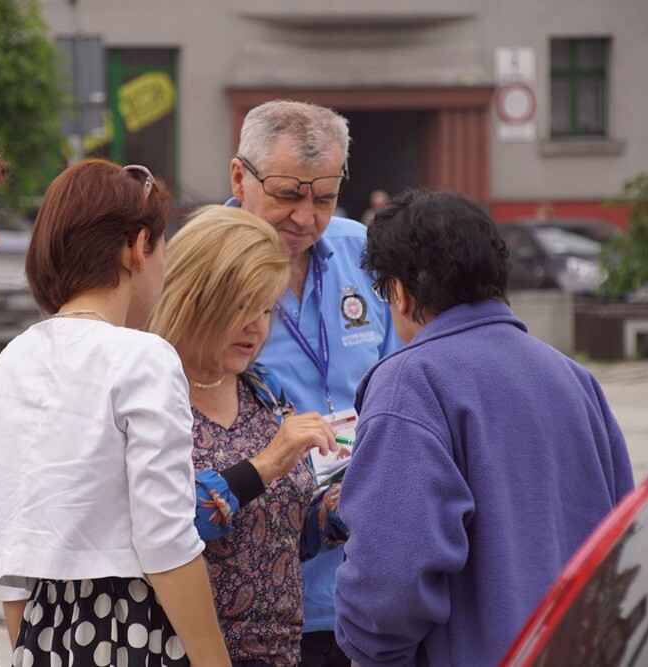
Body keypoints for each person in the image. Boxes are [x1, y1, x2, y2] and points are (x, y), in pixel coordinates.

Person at [334, 189, 635, 665]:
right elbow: (624, 543)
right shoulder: (574, 378)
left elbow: (388, 585)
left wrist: (369, 651)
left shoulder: (411, 382)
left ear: (400, 292)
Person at [0, 159, 230, 666]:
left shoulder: (12, 360)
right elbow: (166, 542)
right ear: (139, 247)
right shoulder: (143, 356)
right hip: (132, 625)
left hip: (42, 628)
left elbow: (7, 547)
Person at [227, 99, 403, 666]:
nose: (306, 217)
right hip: (259, 588)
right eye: (287, 195)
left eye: (323, 197)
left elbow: (404, 386)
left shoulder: (364, 253)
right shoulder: (202, 266)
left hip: (367, 580)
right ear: (239, 177)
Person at [148, 205, 347, 666]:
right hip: (186, 652)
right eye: (241, 305)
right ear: (196, 296)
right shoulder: (153, 387)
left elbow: (285, 537)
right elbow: (168, 525)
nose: (257, 324)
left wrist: (348, 500)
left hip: (281, 652)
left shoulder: (263, 388)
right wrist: (267, 464)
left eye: (265, 307)